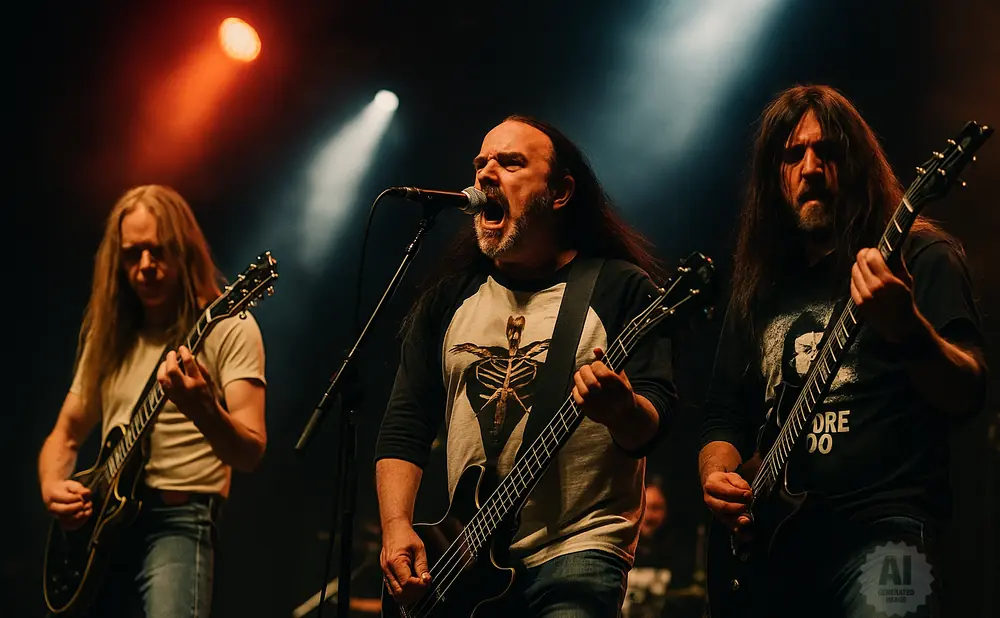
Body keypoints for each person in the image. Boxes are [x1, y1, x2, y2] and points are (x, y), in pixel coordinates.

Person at [699, 85, 986, 617]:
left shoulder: (922, 255)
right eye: (792, 155)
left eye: (827, 152)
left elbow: (968, 391)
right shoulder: (760, 286)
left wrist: (909, 329)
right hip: (772, 546)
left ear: (855, 163)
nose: (810, 167)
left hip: (888, 530)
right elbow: (723, 413)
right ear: (773, 177)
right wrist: (718, 477)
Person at [374, 115, 678, 616]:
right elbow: (406, 423)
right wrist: (396, 527)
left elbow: (654, 422)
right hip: (465, 559)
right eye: (481, 163)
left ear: (559, 193)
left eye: (511, 162)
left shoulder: (619, 289)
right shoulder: (449, 299)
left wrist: (620, 407)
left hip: (579, 548)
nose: (487, 173)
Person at [38, 185, 268, 618]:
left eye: (158, 250)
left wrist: (202, 408)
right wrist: (53, 488)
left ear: (184, 251)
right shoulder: (109, 336)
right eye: (132, 254)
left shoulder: (228, 326)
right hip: (100, 529)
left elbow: (251, 451)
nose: (145, 266)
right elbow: (65, 436)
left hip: (177, 524)